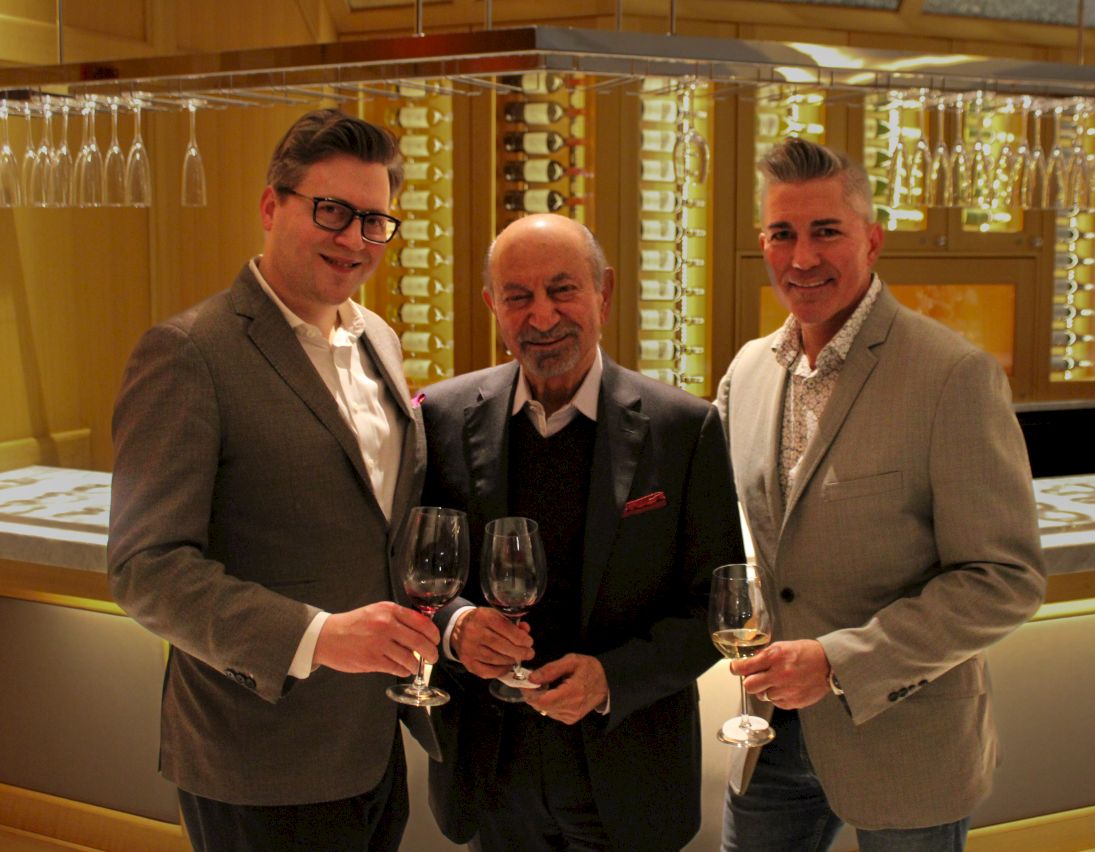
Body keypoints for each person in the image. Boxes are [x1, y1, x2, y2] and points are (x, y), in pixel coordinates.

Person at [107, 109, 440, 851]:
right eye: (332, 211)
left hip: (372, 735)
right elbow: (145, 571)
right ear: (270, 206)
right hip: (254, 754)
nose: (355, 239)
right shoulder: (187, 353)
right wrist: (319, 636)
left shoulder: (376, 338)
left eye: (375, 221)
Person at [716, 137, 1046, 852]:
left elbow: (1004, 580)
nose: (803, 258)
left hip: (907, 743)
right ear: (763, 244)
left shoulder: (952, 376)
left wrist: (839, 660)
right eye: (784, 233)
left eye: (826, 232)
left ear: (871, 240)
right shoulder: (745, 375)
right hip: (766, 737)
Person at [418, 213, 743, 851]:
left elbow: (715, 607)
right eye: (518, 296)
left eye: (563, 289)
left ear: (605, 292)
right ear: (492, 305)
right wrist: (454, 626)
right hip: (490, 773)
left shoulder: (685, 429)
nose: (542, 317)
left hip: (628, 775)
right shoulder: (440, 417)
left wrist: (610, 679)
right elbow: (412, 571)